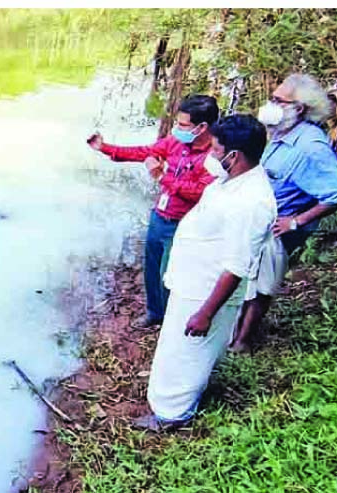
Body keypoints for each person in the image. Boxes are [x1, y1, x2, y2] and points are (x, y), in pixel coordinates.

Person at [132, 114, 279, 431]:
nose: (210, 155)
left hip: (205, 293)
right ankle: (168, 403)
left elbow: (237, 265)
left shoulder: (252, 203)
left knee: (188, 354)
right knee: (176, 348)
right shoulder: (233, 181)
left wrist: (206, 313)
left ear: (234, 156)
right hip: (191, 282)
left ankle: (173, 416)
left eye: (214, 149)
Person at [230, 73, 337, 353]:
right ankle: (234, 328)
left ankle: (243, 340)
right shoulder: (281, 130)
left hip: (278, 227)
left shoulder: (309, 146)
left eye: (278, 100)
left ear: (299, 108)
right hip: (258, 219)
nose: (271, 104)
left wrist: (296, 222)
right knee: (244, 275)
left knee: (262, 282)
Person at [87, 95, 219, 329]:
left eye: (183, 125)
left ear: (202, 127)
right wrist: (105, 148)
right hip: (161, 216)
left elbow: (200, 192)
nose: (177, 129)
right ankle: (155, 313)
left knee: (170, 274)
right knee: (152, 266)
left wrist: (161, 176)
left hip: (184, 223)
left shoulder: (214, 156)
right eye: (177, 123)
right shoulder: (175, 143)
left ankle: (174, 320)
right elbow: (143, 152)